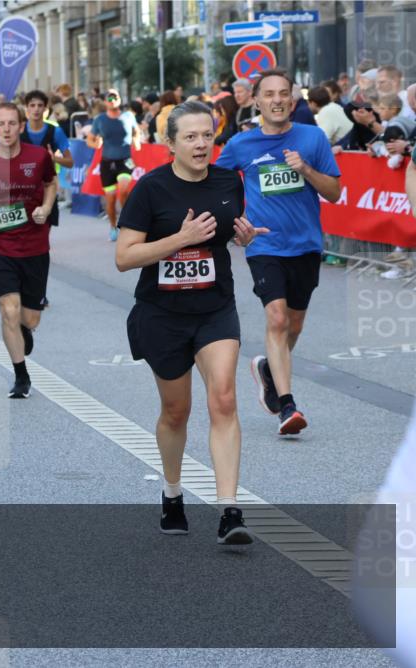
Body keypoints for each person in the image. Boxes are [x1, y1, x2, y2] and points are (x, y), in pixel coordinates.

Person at [116, 101, 267, 545]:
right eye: (191, 137)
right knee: (176, 411)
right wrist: (178, 239)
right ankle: (172, 492)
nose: (202, 144)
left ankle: (229, 511)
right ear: (170, 144)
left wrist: (242, 236)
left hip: (215, 308)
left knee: (223, 398)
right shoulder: (150, 189)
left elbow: (228, 232)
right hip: (162, 314)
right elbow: (124, 258)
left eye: (208, 135)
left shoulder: (227, 181)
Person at [215, 69, 341, 435]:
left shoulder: (312, 137)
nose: (277, 100)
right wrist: (236, 224)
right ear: (256, 101)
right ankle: (288, 407)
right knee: (277, 319)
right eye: (268, 94)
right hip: (263, 244)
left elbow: (333, 192)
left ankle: (270, 369)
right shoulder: (241, 144)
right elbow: (217, 187)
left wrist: (306, 170)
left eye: (283, 93)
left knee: (295, 324)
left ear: (294, 99)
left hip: (305, 244)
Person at [0, 103, 57, 398]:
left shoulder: (39, 156)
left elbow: (51, 184)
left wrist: (45, 207)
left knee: (29, 319)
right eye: (0, 124)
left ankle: (24, 329)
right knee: (8, 309)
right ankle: (21, 376)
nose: (6, 129)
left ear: (20, 127)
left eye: (11, 124)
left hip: (34, 245)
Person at [86, 88, 140, 241]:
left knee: (123, 190)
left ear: (119, 100)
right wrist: (95, 144)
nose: (112, 100)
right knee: (110, 199)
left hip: (125, 160)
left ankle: (127, 221)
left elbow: (136, 131)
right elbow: (89, 139)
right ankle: (112, 226)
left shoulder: (128, 116)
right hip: (107, 163)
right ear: (105, 102)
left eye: (115, 97)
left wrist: (136, 141)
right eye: (109, 98)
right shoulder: (100, 119)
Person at [22, 90, 74, 229]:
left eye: (40, 105)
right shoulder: (19, 131)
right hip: (22, 189)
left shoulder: (55, 131)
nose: (36, 109)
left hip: (47, 188)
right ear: (26, 108)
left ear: (46, 109)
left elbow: (70, 162)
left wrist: (55, 158)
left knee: (43, 234)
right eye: (32, 105)